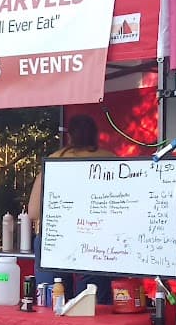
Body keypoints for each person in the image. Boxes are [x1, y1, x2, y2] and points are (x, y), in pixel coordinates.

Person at [27, 114, 115, 305]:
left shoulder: (54, 160)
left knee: (51, 299)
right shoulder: (110, 160)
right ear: (95, 135)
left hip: (54, 238)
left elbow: (33, 211)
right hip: (95, 239)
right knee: (91, 303)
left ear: (69, 136)